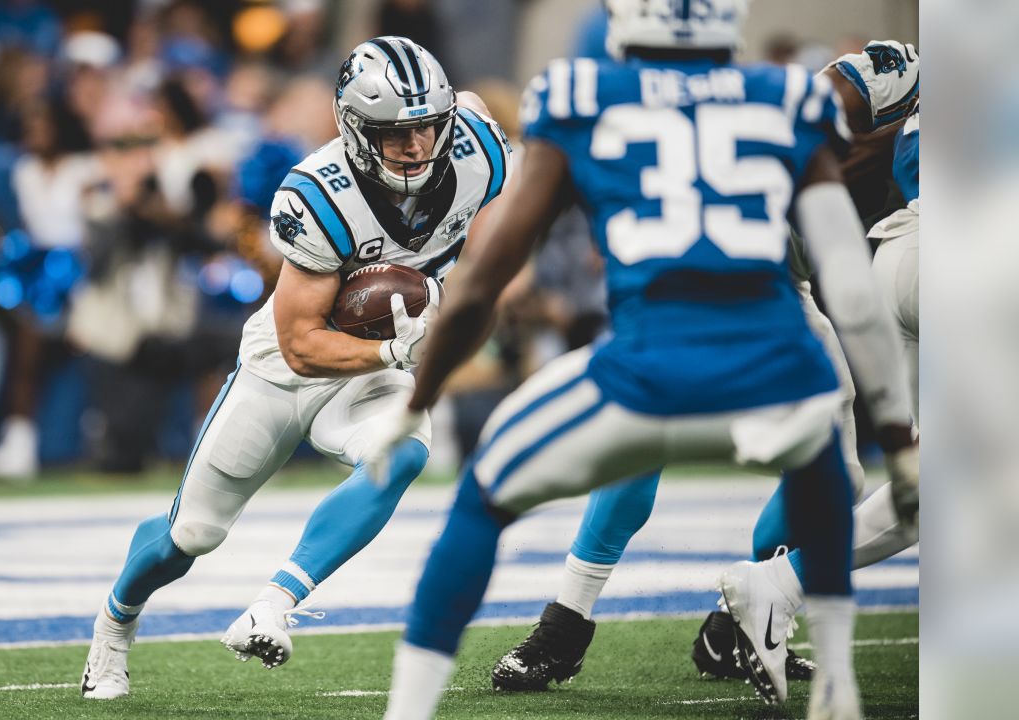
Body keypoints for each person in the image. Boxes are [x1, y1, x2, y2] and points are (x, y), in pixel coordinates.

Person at [366, 3, 919, 719]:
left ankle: (415, 707)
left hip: (653, 361)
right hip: (778, 346)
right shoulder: (792, 99)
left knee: (483, 493)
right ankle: (832, 679)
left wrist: (414, 401)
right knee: (834, 475)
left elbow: (483, 284)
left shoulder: (580, 97)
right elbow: (855, 288)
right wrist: (901, 440)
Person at [78, 36, 514, 699]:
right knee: (188, 535)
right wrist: (398, 351)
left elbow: (489, 248)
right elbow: (301, 343)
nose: (418, 147)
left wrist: (450, 315)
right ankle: (112, 626)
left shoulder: (479, 150)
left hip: (380, 367)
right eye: (397, 134)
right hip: (285, 370)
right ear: (353, 128)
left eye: (429, 127)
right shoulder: (319, 193)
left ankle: (274, 604)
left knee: (400, 454)